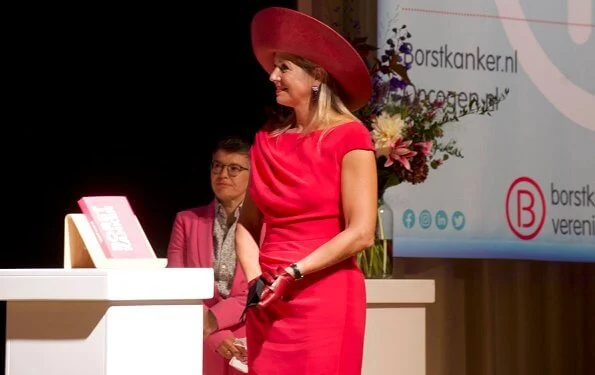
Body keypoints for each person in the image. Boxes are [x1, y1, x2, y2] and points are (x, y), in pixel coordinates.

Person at [235, 7, 377, 375]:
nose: (272, 76)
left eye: (284, 68)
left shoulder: (350, 137)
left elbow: (361, 233)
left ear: (316, 77)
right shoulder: (267, 142)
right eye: (274, 67)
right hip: (268, 303)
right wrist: (255, 279)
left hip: (324, 300)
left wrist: (294, 272)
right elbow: (247, 223)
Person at [167, 136, 251, 375]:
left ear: (252, 175)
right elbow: (176, 286)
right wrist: (213, 335)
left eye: (234, 168)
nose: (223, 174)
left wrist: (214, 320)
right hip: (199, 341)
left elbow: (261, 289)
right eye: (217, 166)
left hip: (248, 341)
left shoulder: (266, 225)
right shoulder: (186, 221)